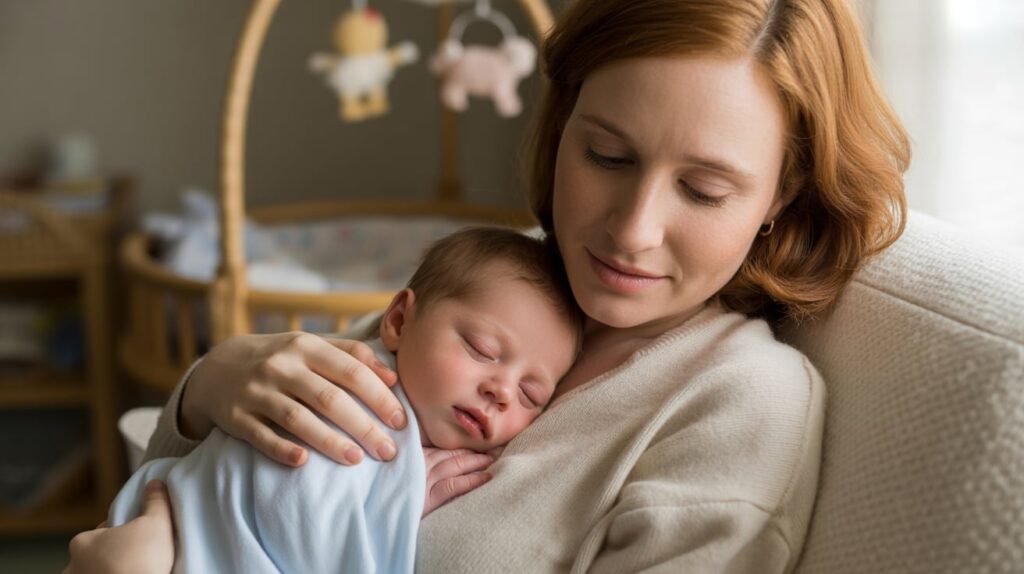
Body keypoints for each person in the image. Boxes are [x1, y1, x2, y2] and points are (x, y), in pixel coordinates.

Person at [67, 0, 910, 571]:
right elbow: (221, 490)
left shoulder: (741, 404)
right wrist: (210, 387)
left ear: (780, 196)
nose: (632, 229)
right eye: (607, 155)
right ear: (561, 126)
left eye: (703, 189)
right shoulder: (508, 278)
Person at [104, 227, 582, 573]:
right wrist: (399, 501)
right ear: (398, 321)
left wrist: (397, 497)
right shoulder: (349, 387)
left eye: (531, 394)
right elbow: (289, 505)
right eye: (481, 350)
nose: (502, 391)